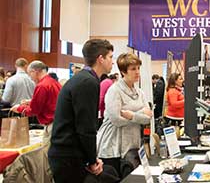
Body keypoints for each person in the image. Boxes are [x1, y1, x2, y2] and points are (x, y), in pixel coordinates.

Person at [48, 39, 114, 182]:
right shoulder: (88, 82)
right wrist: (92, 161)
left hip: (69, 154)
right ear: (100, 59)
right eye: (110, 57)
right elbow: (86, 127)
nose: (112, 62)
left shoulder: (85, 79)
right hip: (68, 157)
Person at [97, 53, 152, 179]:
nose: (137, 72)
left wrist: (131, 115)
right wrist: (140, 114)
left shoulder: (140, 92)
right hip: (113, 147)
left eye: (138, 68)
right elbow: (116, 120)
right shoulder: (114, 90)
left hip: (132, 145)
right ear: (123, 71)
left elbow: (148, 118)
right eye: (133, 69)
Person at [10, 61, 61, 145]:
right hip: (57, 122)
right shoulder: (53, 82)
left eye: (29, 74)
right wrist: (31, 101)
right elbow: (50, 100)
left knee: (46, 153)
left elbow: (34, 110)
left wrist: (19, 108)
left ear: (34, 72)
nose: (30, 77)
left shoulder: (42, 85)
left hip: (52, 124)